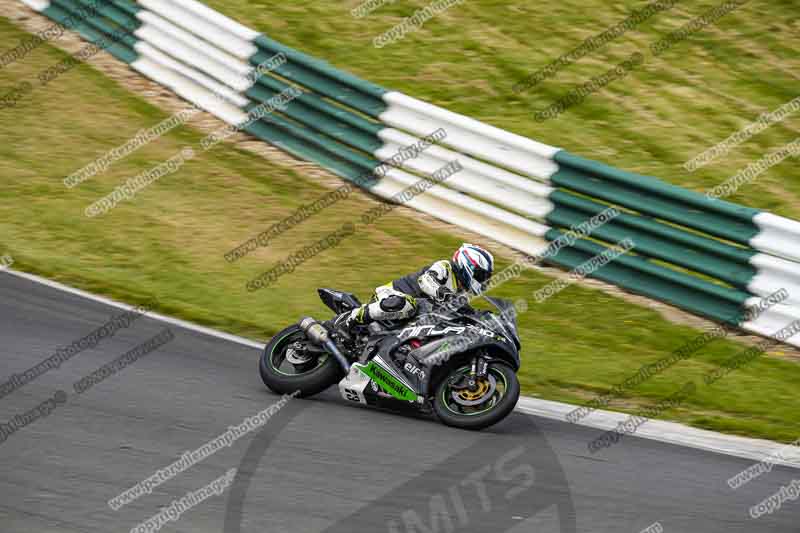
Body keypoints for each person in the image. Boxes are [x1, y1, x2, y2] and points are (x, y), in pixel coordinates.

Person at [331, 243, 494, 339]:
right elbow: (426, 281)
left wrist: (479, 317)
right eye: (480, 275)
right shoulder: (446, 267)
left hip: (409, 322)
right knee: (407, 305)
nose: (481, 281)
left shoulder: (460, 293)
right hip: (392, 297)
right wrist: (445, 294)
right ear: (468, 264)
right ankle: (350, 320)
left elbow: (462, 313)